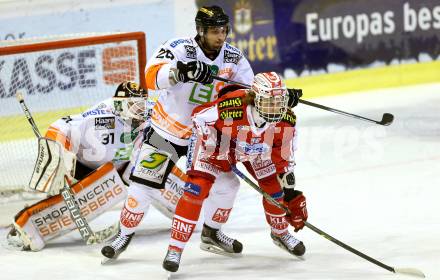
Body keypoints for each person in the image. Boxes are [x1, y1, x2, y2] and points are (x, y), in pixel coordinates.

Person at [101, 5, 254, 260]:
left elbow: (247, 90)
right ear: (200, 30)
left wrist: (267, 96)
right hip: (167, 131)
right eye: (214, 31)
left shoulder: (233, 57)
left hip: (206, 136)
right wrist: (181, 71)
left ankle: (211, 233)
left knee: (227, 185)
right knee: (142, 187)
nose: (221, 36)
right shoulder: (179, 47)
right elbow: (150, 76)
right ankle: (124, 234)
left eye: (224, 30)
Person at [5, 82, 185, 251]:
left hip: (124, 164)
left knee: (154, 165)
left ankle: (193, 213)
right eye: (134, 106)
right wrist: (61, 156)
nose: (141, 110)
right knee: (99, 191)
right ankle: (28, 227)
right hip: (87, 168)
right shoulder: (102, 118)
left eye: (142, 105)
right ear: (119, 106)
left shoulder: (146, 112)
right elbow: (59, 127)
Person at [162, 72, 307, 272]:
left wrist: (289, 195)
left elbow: (283, 162)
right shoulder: (231, 107)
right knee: (196, 190)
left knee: (274, 190)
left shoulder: (286, 121)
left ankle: (280, 233)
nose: (276, 109)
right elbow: (199, 116)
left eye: (279, 102)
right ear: (255, 98)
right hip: (216, 147)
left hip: (253, 149)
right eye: (269, 102)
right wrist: (213, 143)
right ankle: (175, 248)